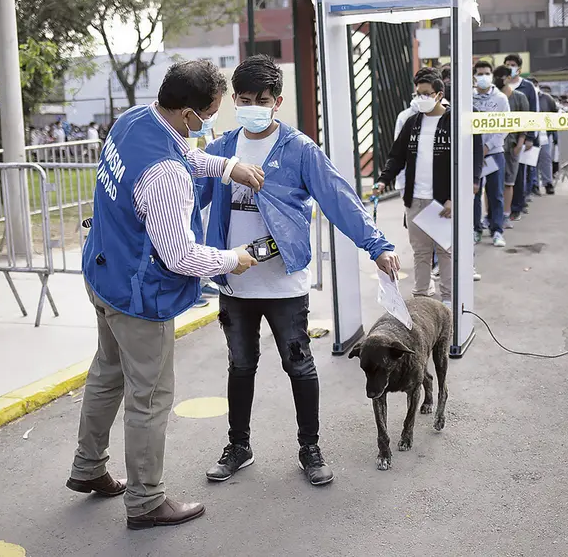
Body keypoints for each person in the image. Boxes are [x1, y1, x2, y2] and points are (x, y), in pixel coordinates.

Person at [67, 59, 267, 530]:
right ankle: (146, 501)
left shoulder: (135, 119)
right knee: (150, 398)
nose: (213, 121)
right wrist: (232, 259)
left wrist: (227, 167)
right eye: (211, 113)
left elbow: (181, 153)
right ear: (186, 114)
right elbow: (179, 256)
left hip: (103, 273)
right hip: (140, 296)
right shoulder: (166, 176)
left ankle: (88, 467)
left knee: (106, 374)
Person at [199, 55, 400, 486]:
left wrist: (377, 245)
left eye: (263, 99)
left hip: (284, 283)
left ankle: (310, 447)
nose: (253, 105)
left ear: (278, 102)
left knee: (300, 366)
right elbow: (179, 194)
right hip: (234, 281)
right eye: (245, 99)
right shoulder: (219, 149)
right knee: (240, 366)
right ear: (235, 99)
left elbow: (339, 200)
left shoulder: (300, 150)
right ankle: (239, 445)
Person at [373, 67, 451, 301]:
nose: (420, 99)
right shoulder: (412, 123)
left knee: (446, 251)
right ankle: (422, 296)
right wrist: (383, 180)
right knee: (421, 252)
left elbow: (465, 163)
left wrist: (454, 197)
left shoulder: (452, 121)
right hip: (415, 198)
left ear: (439, 94)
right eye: (418, 93)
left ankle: (448, 298)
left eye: (426, 94)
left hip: (443, 200)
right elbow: (396, 156)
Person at [471, 60, 508, 247]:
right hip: (473, 155)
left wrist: (488, 146)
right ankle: (476, 229)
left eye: (486, 73)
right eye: (480, 73)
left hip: (494, 153)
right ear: (474, 76)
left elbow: (504, 127)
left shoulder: (501, 99)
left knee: (496, 194)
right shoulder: (468, 98)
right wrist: (477, 149)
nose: (483, 77)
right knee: (474, 193)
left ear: (492, 75)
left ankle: (497, 230)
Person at [492, 65, 530, 228]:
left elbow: (525, 121)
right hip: (494, 145)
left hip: (512, 144)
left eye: (502, 76)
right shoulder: (492, 97)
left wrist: (521, 142)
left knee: (509, 182)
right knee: (492, 182)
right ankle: (492, 215)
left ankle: (506, 214)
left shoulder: (519, 97)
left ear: (508, 78)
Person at [502, 54, 539, 210]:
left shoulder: (527, 87)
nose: (510, 67)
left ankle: (517, 206)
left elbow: (532, 112)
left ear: (519, 68)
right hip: (502, 138)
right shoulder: (499, 86)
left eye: (513, 64)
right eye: (507, 64)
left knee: (518, 174)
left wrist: (529, 137)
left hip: (520, 138)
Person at [530, 77, 558, 195]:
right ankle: (534, 184)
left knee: (545, 158)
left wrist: (554, 133)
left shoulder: (547, 98)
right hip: (530, 133)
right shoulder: (527, 96)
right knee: (532, 160)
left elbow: (554, 114)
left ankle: (548, 183)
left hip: (545, 134)